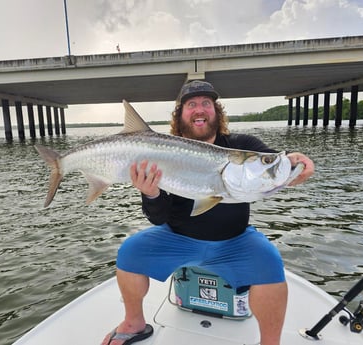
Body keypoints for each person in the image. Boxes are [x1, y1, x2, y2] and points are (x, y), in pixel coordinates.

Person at [102, 80, 315, 345]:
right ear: (180, 115)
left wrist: (297, 162)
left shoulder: (240, 144)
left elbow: (276, 165)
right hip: (177, 237)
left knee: (270, 262)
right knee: (130, 251)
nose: (199, 109)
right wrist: (150, 193)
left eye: (206, 103)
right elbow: (157, 218)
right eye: (191, 104)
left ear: (217, 112)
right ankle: (134, 323)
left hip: (235, 240)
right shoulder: (162, 151)